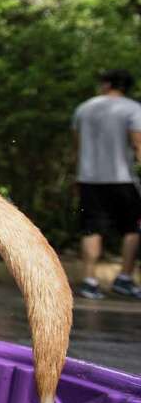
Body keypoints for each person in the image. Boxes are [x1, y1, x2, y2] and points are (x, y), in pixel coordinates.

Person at [72, 69, 141, 300]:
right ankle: (124, 278)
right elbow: (138, 145)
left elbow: (78, 146)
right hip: (123, 178)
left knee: (91, 228)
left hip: (89, 178)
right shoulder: (133, 109)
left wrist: (77, 174)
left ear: (108, 84)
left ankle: (90, 281)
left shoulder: (84, 108)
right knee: (132, 228)